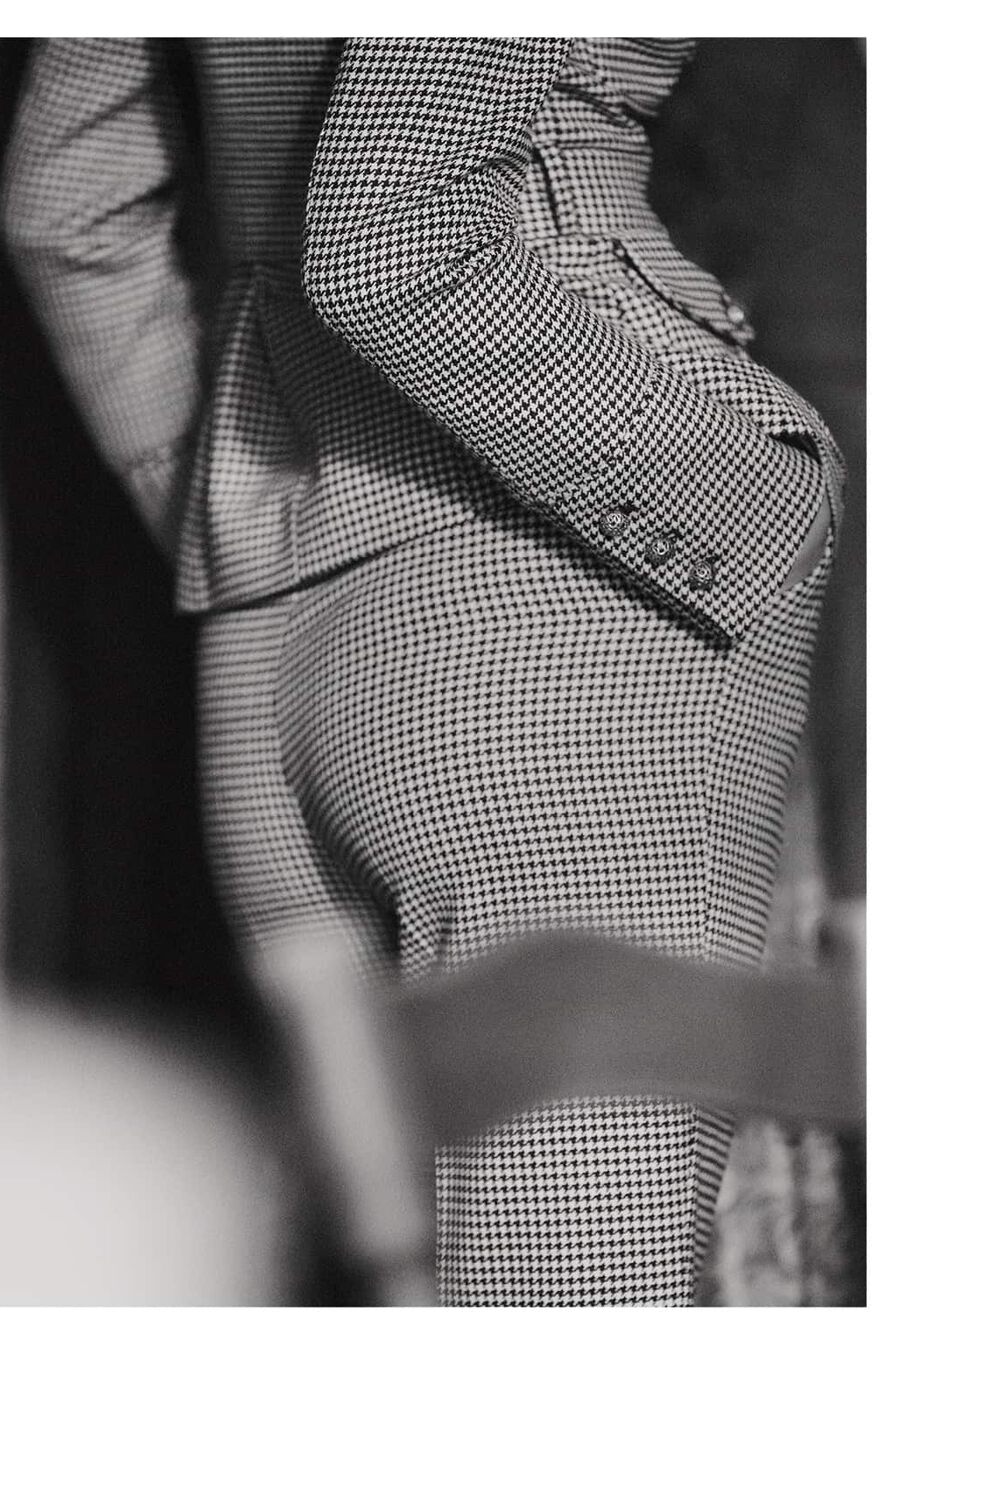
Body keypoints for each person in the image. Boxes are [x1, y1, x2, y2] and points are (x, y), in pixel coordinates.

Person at [1, 38, 844, 1306]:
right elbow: (386, 238)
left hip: (271, 642)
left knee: (416, 1308)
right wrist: (738, 494)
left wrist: (244, 523)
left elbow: (66, 205)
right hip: (562, 614)